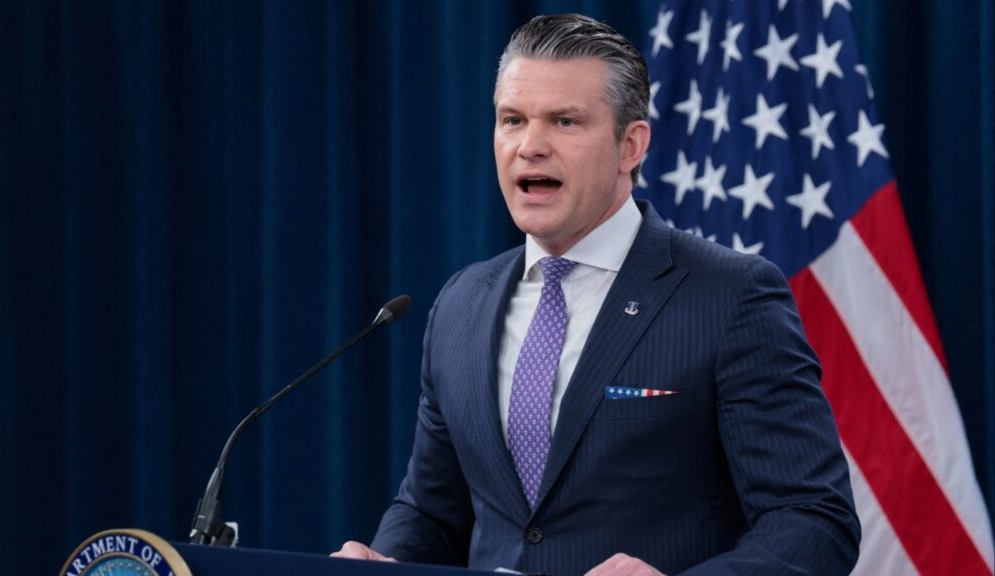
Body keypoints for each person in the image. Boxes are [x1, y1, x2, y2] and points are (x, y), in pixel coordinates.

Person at [333, 14, 860, 576]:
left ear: (630, 145)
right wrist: (381, 562)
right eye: (512, 120)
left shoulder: (731, 297)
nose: (530, 146)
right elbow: (434, 514)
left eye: (564, 121)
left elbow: (813, 518)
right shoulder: (461, 304)